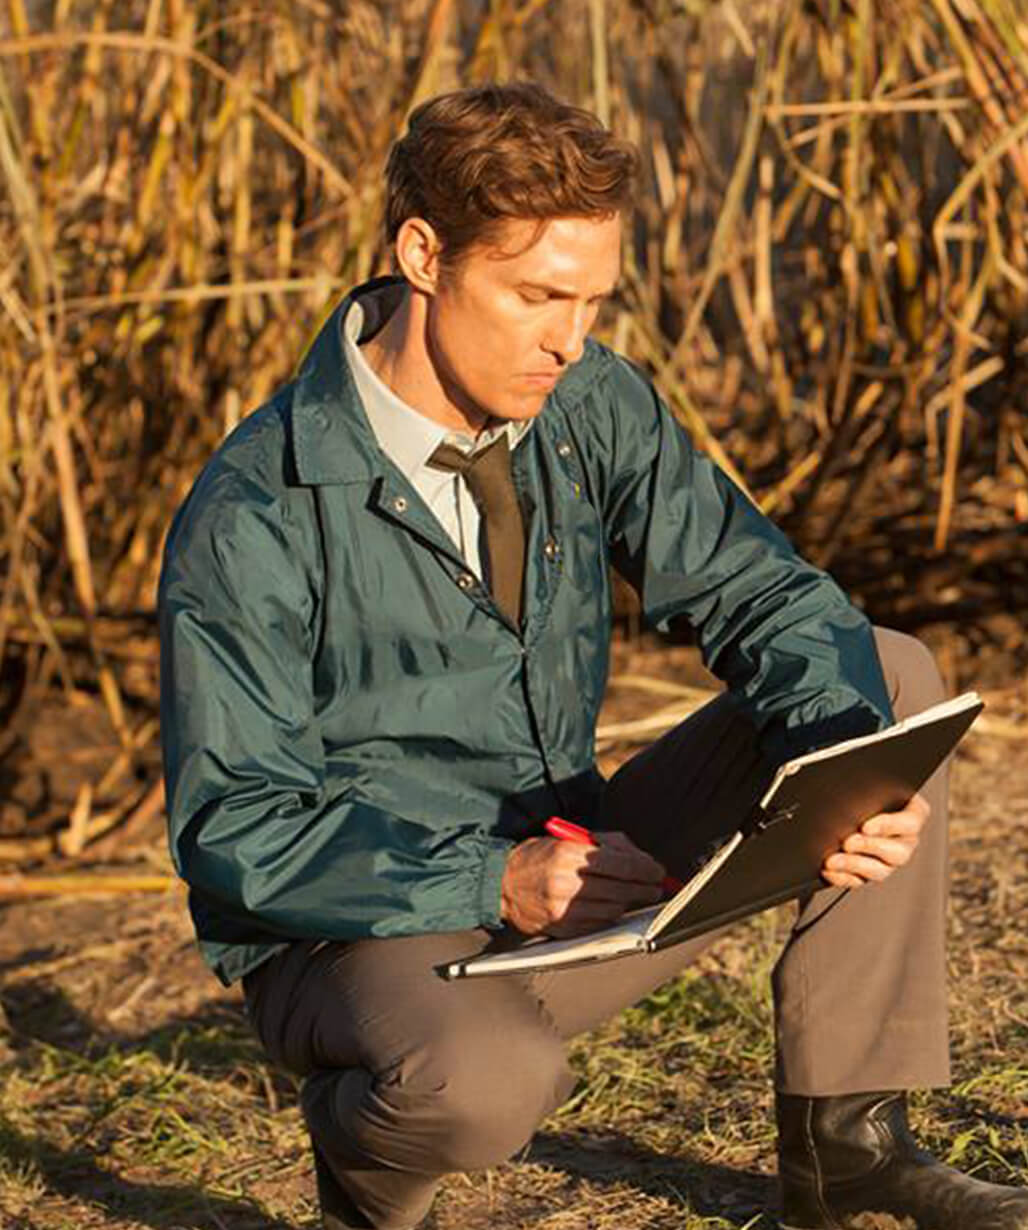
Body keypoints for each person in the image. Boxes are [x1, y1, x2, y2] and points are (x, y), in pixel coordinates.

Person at [158, 82, 1028, 1230]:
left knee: (883, 681)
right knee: (485, 1086)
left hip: (575, 870)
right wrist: (486, 882)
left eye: (590, 301)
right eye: (534, 296)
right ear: (422, 255)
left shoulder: (587, 400)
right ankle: (360, 1156)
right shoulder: (256, 507)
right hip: (357, 935)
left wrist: (840, 767)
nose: (568, 338)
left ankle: (847, 1144)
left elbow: (759, 592)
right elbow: (234, 828)